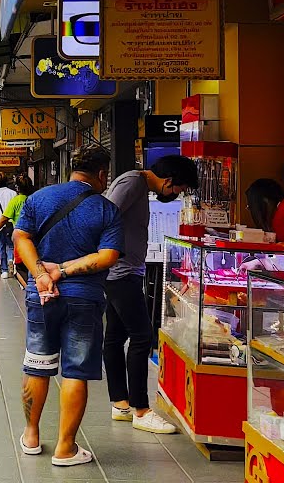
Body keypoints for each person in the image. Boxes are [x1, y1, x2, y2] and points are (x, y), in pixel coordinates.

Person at [13, 146, 123, 467]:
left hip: (41, 295)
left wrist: (41, 275)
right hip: (85, 298)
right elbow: (108, 256)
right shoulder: (107, 209)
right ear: (102, 174)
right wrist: (62, 271)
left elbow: (21, 238)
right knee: (75, 371)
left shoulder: (39, 198)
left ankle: (31, 436)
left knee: (37, 362)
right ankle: (65, 448)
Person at [102, 154, 198, 434]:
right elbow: (105, 215)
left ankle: (120, 403)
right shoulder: (133, 182)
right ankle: (141, 409)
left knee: (115, 337)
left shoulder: (137, 184)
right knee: (142, 336)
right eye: (179, 188)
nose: (177, 194)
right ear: (169, 180)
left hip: (121, 270)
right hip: (122, 272)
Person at [0, 175, 35, 285]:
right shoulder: (34, 199)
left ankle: (26, 286)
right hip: (35, 236)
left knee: (20, 265)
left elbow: (3, 219)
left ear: (18, 188)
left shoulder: (15, 201)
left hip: (21, 237)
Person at [0, 172, 18, 279]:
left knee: (1, 246)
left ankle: (4, 270)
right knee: (11, 245)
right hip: (11, 224)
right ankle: (11, 260)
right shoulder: (13, 193)